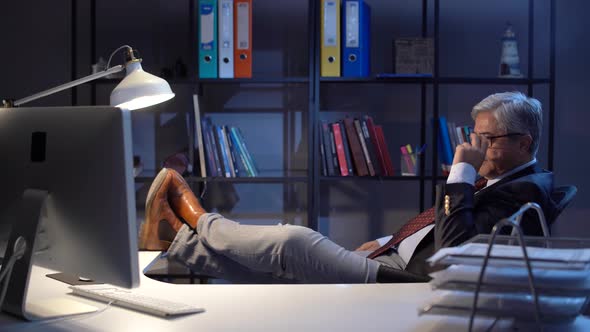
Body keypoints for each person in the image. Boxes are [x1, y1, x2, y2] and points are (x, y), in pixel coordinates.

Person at [139, 91, 557, 283]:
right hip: (391, 259)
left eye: (489, 139)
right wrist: (382, 241)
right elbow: (434, 229)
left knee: (294, 242)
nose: (475, 145)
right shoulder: (500, 178)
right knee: (282, 270)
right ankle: (175, 243)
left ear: (525, 143)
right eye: (476, 134)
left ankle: (195, 219)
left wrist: (460, 175)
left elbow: (453, 249)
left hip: (410, 282)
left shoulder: (526, 194)